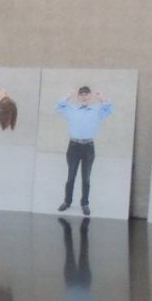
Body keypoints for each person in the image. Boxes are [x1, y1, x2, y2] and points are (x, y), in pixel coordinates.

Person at [54, 85, 114, 215]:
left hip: (88, 147)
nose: (84, 97)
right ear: (78, 96)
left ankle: (85, 203)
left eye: (86, 94)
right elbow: (58, 106)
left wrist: (102, 98)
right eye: (81, 94)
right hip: (74, 146)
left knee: (86, 177)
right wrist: (68, 96)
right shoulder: (71, 109)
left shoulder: (97, 110)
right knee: (71, 176)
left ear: (90, 96)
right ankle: (67, 201)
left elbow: (110, 109)